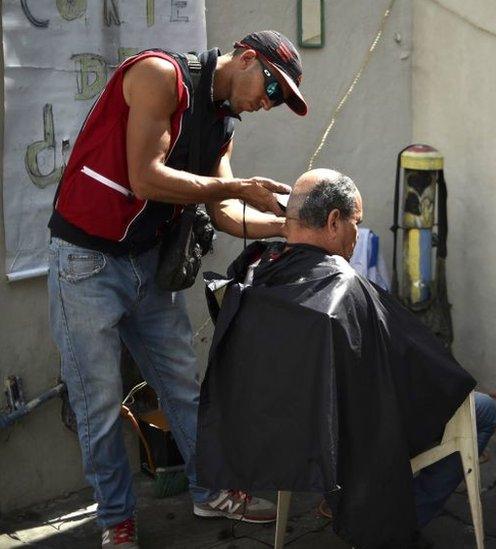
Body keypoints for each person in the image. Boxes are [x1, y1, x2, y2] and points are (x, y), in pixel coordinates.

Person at [47, 30, 307, 548]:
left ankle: (209, 489)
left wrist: (289, 225)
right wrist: (236, 185)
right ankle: (115, 520)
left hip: (148, 263)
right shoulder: (160, 76)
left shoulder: (222, 122)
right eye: (271, 90)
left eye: (277, 101)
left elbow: (226, 212)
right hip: (86, 260)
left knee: (185, 385)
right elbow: (146, 178)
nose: (267, 104)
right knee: (98, 402)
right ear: (247, 58)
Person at [196, 169, 496, 548]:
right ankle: (394, 518)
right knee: (481, 410)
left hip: (284, 424)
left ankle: (341, 497)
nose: (357, 234)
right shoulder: (344, 288)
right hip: (345, 432)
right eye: (356, 222)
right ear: (334, 221)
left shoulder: (256, 270)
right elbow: (418, 368)